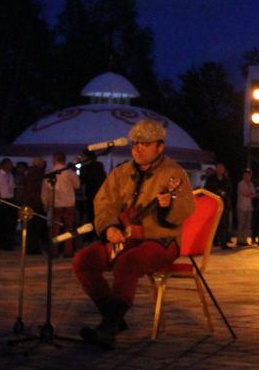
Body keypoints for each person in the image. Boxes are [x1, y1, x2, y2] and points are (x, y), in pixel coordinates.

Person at [71, 119, 195, 349]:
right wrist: (109, 228)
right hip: (125, 238)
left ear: (160, 147)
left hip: (161, 241)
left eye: (145, 144)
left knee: (128, 262)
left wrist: (168, 206)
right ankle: (114, 319)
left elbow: (187, 207)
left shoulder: (173, 173)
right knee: (83, 261)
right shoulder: (121, 173)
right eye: (135, 143)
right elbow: (104, 202)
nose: (137, 148)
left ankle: (108, 328)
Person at [43, 151, 81, 257]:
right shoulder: (69, 172)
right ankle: (68, 251)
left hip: (56, 203)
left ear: (54, 159)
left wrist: (45, 203)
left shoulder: (50, 172)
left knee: (55, 229)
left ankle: (54, 251)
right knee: (68, 228)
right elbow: (77, 185)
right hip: (69, 202)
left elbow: (45, 189)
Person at [235, 168, 256, 246]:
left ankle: (245, 239)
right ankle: (239, 240)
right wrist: (250, 194)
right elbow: (245, 193)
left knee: (248, 224)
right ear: (243, 176)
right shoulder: (241, 184)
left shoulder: (251, 184)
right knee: (241, 223)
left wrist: (250, 194)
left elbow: (254, 194)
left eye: (249, 175)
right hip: (241, 206)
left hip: (249, 207)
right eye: (246, 175)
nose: (248, 177)